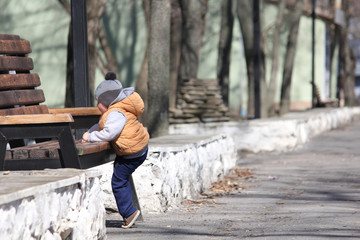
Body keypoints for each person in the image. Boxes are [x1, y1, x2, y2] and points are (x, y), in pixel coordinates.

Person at [82, 71, 149, 229]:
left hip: (132, 152)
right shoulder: (117, 109)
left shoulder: (116, 113)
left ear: (106, 101)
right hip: (135, 149)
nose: (97, 105)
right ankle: (129, 212)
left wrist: (91, 137)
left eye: (98, 101)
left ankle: (129, 213)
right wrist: (90, 132)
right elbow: (101, 126)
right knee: (120, 174)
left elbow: (109, 133)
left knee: (118, 181)